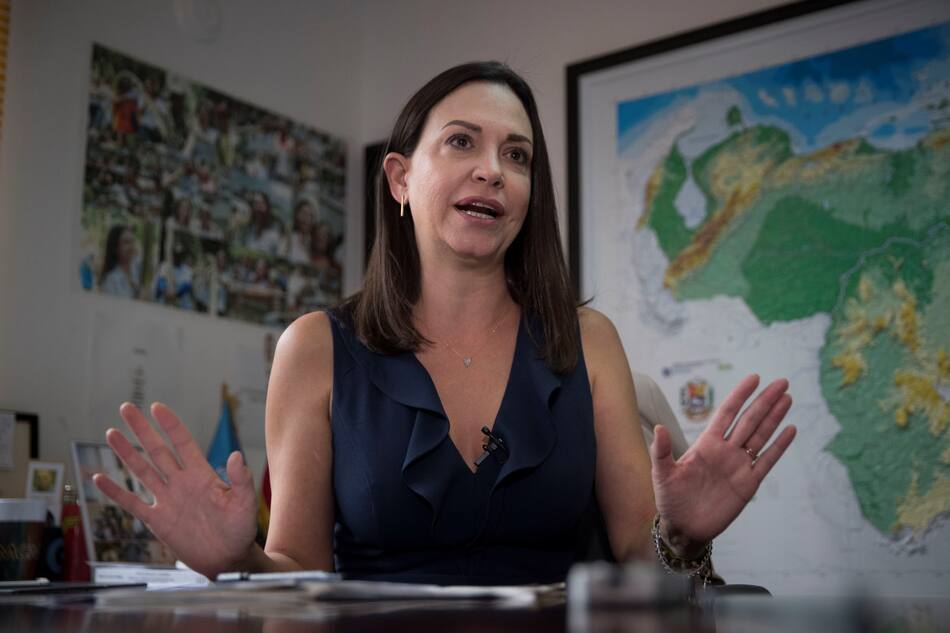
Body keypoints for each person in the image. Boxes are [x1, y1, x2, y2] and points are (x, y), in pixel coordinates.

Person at [93, 61, 796, 585]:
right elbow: (298, 576)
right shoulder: (313, 347)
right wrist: (235, 558)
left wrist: (680, 535)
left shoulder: (589, 340)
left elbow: (647, 562)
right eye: (462, 142)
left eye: (516, 155)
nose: (493, 170)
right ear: (399, 179)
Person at [99, 225, 141, 299]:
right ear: (115, 248)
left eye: (132, 241)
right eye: (126, 242)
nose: (132, 246)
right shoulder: (110, 281)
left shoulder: (137, 266)